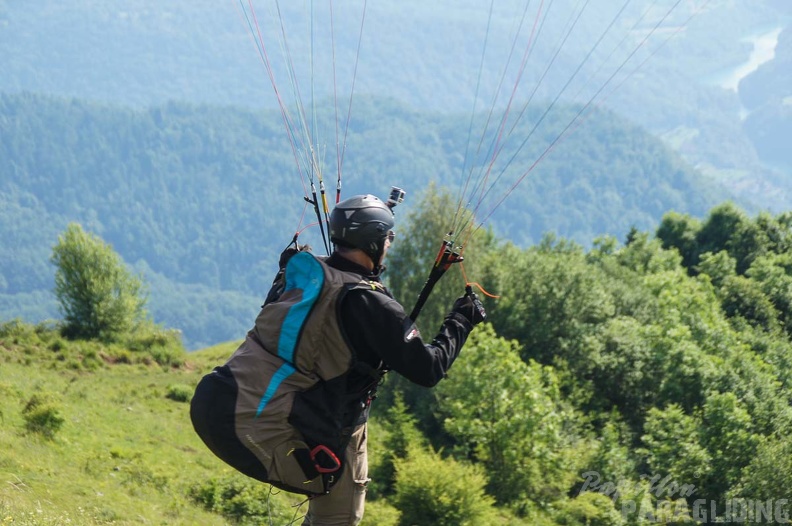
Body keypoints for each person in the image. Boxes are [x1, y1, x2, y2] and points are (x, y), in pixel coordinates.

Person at [190, 193, 486, 526]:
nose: (390, 243)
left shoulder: (304, 271)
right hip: (260, 428)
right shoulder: (372, 305)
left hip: (215, 402)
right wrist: (462, 319)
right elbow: (429, 368)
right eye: (387, 236)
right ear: (374, 241)